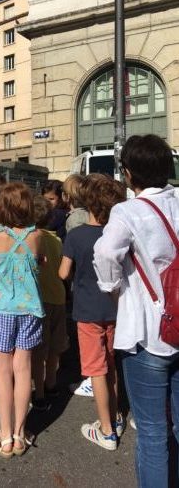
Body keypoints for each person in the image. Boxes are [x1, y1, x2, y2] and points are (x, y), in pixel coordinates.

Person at [93, 135, 179, 485]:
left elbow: (105, 254)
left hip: (147, 331)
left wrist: (112, 289)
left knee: (153, 433)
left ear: (128, 174)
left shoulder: (127, 211)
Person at [59, 174, 126, 451]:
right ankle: (117, 414)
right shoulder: (117, 234)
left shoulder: (75, 236)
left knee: (96, 369)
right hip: (115, 308)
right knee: (111, 363)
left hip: (86, 310)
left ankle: (106, 430)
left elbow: (63, 272)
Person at [0, 182, 45, 458]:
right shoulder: (37, 235)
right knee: (24, 370)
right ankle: (20, 434)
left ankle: (4, 436)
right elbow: (35, 263)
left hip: (1, 309)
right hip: (30, 308)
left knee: (2, 370)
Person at [32, 195, 68, 411]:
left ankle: (40, 393)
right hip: (59, 297)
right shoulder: (57, 239)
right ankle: (52, 383)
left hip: (40, 300)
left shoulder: (34, 238)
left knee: (39, 350)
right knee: (55, 348)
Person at [62, 173, 92, 397]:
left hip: (83, 280)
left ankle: (91, 377)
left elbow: (75, 254)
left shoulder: (75, 219)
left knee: (87, 331)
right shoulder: (90, 214)